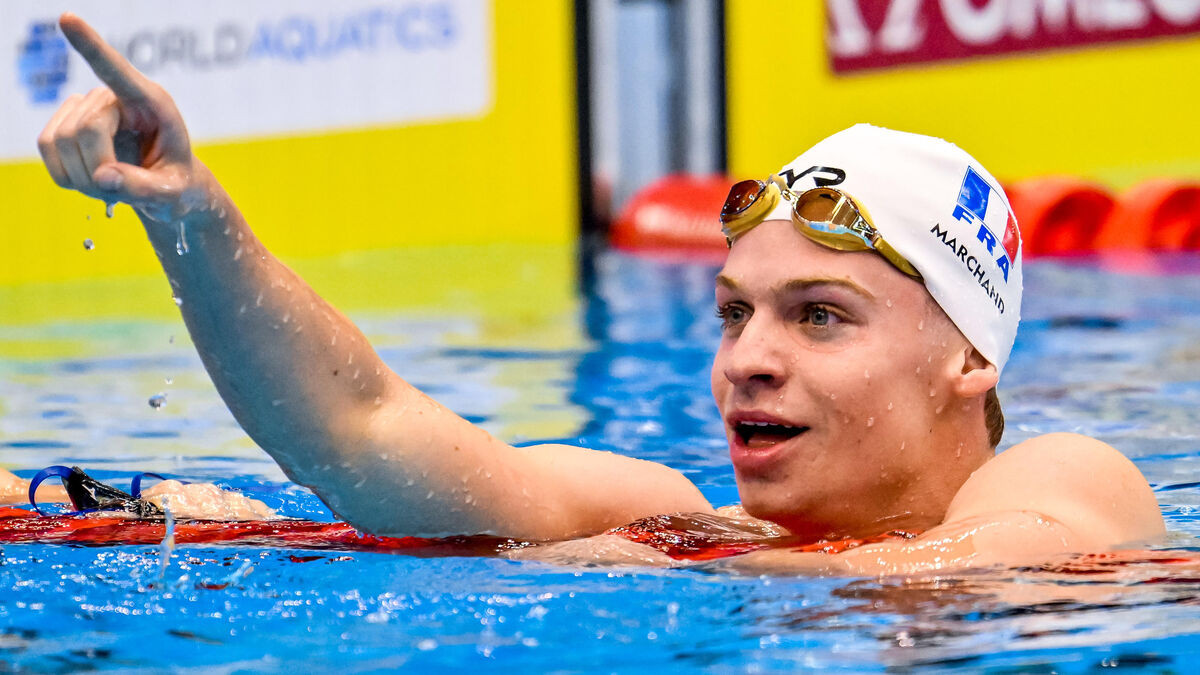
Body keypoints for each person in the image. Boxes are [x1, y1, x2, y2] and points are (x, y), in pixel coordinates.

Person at [26, 13, 1163, 574]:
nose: (747, 359)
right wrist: (190, 213)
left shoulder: (1064, 476)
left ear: (971, 357)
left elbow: (993, 571)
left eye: (819, 314)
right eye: (734, 312)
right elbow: (361, 427)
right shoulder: (667, 513)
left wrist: (630, 559)